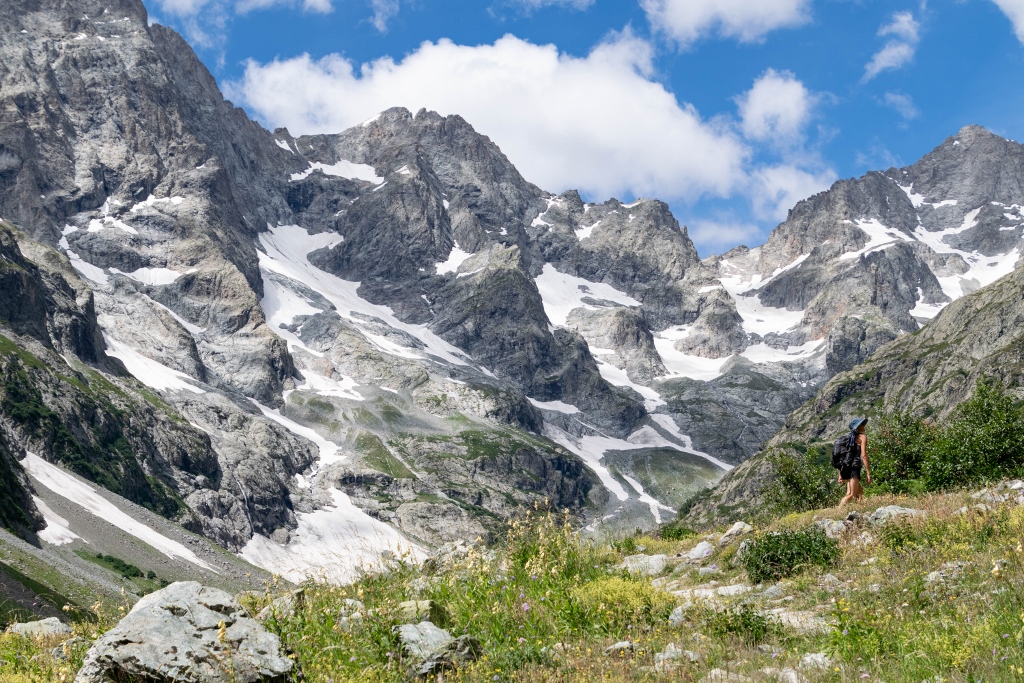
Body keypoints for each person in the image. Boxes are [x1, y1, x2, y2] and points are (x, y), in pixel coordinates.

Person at [838, 417, 871, 508]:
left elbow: (842, 458)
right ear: (858, 427)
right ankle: (838, 510)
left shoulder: (847, 438)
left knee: (860, 494)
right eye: (862, 424)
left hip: (846, 469)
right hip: (854, 469)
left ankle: (860, 510)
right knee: (851, 495)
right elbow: (864, 456)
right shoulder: (862, 437)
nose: (864, 426)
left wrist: (840, 474)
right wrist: (868, 473)